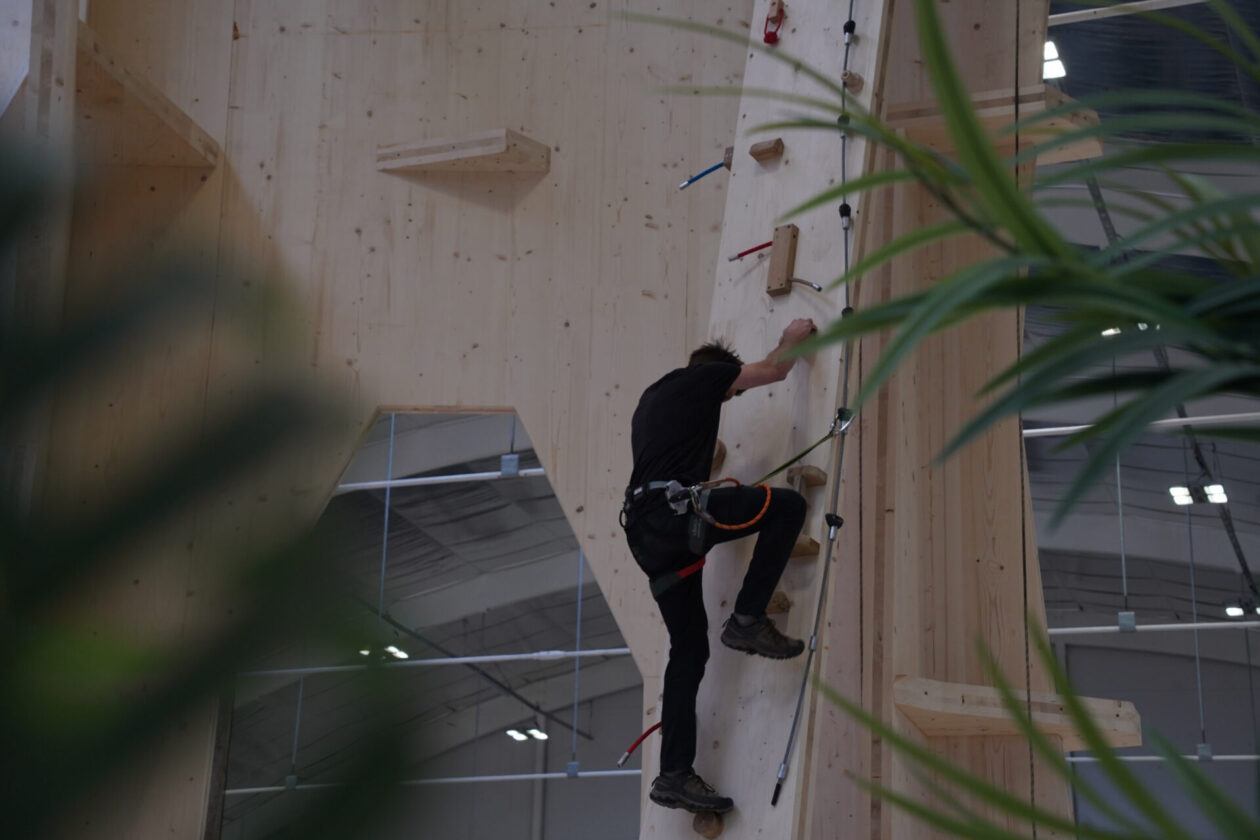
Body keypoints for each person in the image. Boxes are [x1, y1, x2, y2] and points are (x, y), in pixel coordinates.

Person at [621, 318, 817, 814]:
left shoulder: (651, 402)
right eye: (731, 394)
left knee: (688, 650)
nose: (728, 400)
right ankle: (747, 618)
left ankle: (674, 775)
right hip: (672, 520)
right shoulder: (705, 377)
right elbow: (773, 370)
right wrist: (794, 339)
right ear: (719, 377)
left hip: (647, 535)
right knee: (788, 507)